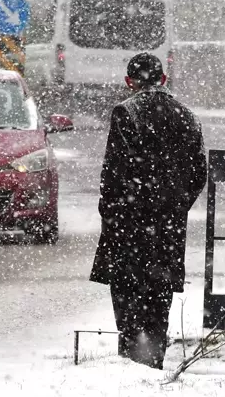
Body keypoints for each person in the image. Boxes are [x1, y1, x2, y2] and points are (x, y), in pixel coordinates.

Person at [89, 52, 208, 369]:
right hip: (167, 226)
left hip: (128, 223)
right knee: (158, 294)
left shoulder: (126, 113)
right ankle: (153, 358)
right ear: (163, 79)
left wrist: (113, 213)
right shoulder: (186, 115)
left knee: (127, 293)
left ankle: (131, 360)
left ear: (129, 81)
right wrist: (174, 207)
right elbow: (198, 174)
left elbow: (112, 174)